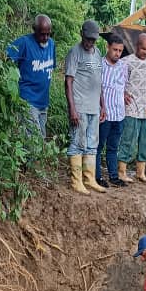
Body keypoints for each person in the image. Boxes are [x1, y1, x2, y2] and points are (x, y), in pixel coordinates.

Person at [64, 19, 106, 195]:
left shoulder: (97, 54)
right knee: (77, 143)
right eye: (88, 39)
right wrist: (72, 108)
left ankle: (90, 179)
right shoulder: (75, 53)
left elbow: (99, 81)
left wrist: (103, 105)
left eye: (93, 40)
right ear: (82, 34)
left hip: (94, 108)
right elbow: (68, 82)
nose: (90, 43)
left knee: (91, 145)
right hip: (79, 106)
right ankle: (76, 181)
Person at [117, 33, 146, 184]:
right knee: (128, 139)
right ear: (136, 46)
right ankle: (122, 172)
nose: (145, 52)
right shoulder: (125, 62)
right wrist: (123, 93)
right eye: (142, 48)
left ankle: (141, 172)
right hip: (132, 107)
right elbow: (117, 81)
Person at [6, 15, 55, 138]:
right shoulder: (25, 43)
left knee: (42, 139)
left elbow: (51, 67)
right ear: (35, 30)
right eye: (42, 34)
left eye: (48, 34)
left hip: (43, 102)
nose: (45, 38)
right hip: (28, 101)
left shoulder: (51, 44)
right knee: (35, 142)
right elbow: (5, 56)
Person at [95, 34, 128, 188]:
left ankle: (114, 176)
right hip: (105, 114)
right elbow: (97, 89)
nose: (117, 53)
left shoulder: (123, 66)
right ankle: (97, 177)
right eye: (115, 49)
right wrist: (101, 108)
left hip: (119, 114)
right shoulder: (100, 65)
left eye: (120, 51)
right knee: (99, 146)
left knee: (113, 147)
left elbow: (123, 87)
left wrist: (126, 96)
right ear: (108, 47)